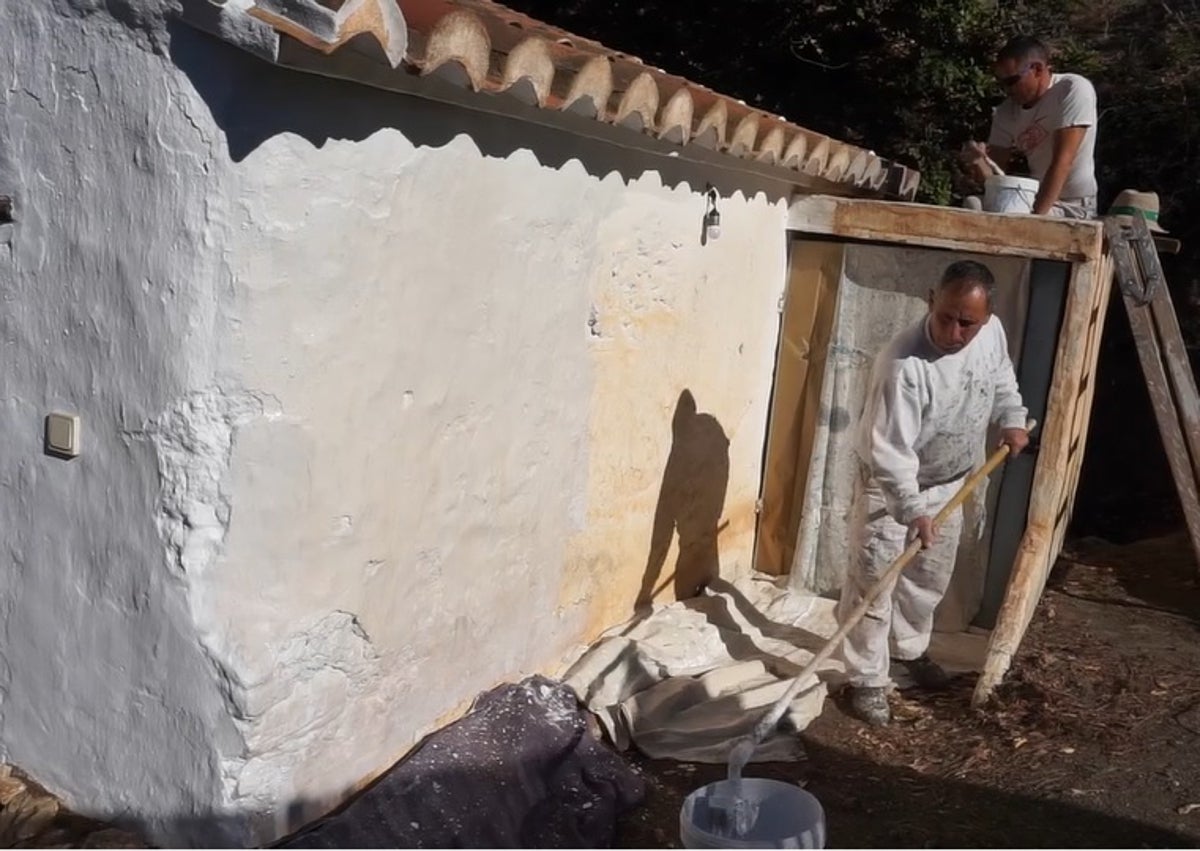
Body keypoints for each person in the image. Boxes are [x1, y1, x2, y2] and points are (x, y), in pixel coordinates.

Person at [838, 260, 1030, 726]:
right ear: (931, 299)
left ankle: (907, 652)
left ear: (986, 318)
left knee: (927, 578)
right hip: (891, 487)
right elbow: (890, 451)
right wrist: (909, 509)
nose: (955, 331)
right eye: (947, 316)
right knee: (874, 583)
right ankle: (864, 679)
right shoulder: (902, 364)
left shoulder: (991, 333)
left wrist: (1011, 418)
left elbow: (1001, 379)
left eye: (968, 322)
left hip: (949, 483)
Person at [962, 35, 1098, 219]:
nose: (1007, 90)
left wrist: (1036, 219)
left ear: (1037, 69)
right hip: (1030, 198)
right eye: (1002, 83)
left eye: (1012, 81)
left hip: (1073, 206)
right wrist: (978, 162)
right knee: (974, 204)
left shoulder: (1072, 90)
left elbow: (1063, 162)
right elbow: (994, 179)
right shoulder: (1006, 112)